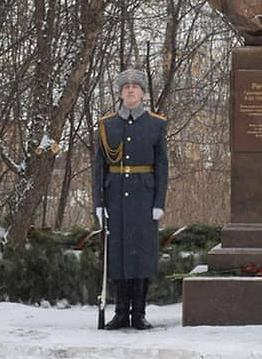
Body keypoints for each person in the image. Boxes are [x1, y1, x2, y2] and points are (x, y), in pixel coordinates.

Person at [93, 68, 168, 330]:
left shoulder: (156, 124)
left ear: (143, 93)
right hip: (115, 197)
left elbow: (162, 166)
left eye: (136, 86)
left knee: (142, 256)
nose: (131, 89)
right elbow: (99, 167)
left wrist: (159, 201)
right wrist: (99, 203)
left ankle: (139, 313)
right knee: (118, 255)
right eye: (126, 86)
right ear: (120, 92)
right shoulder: (107, 125)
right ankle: (121, 312)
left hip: (144, 198)